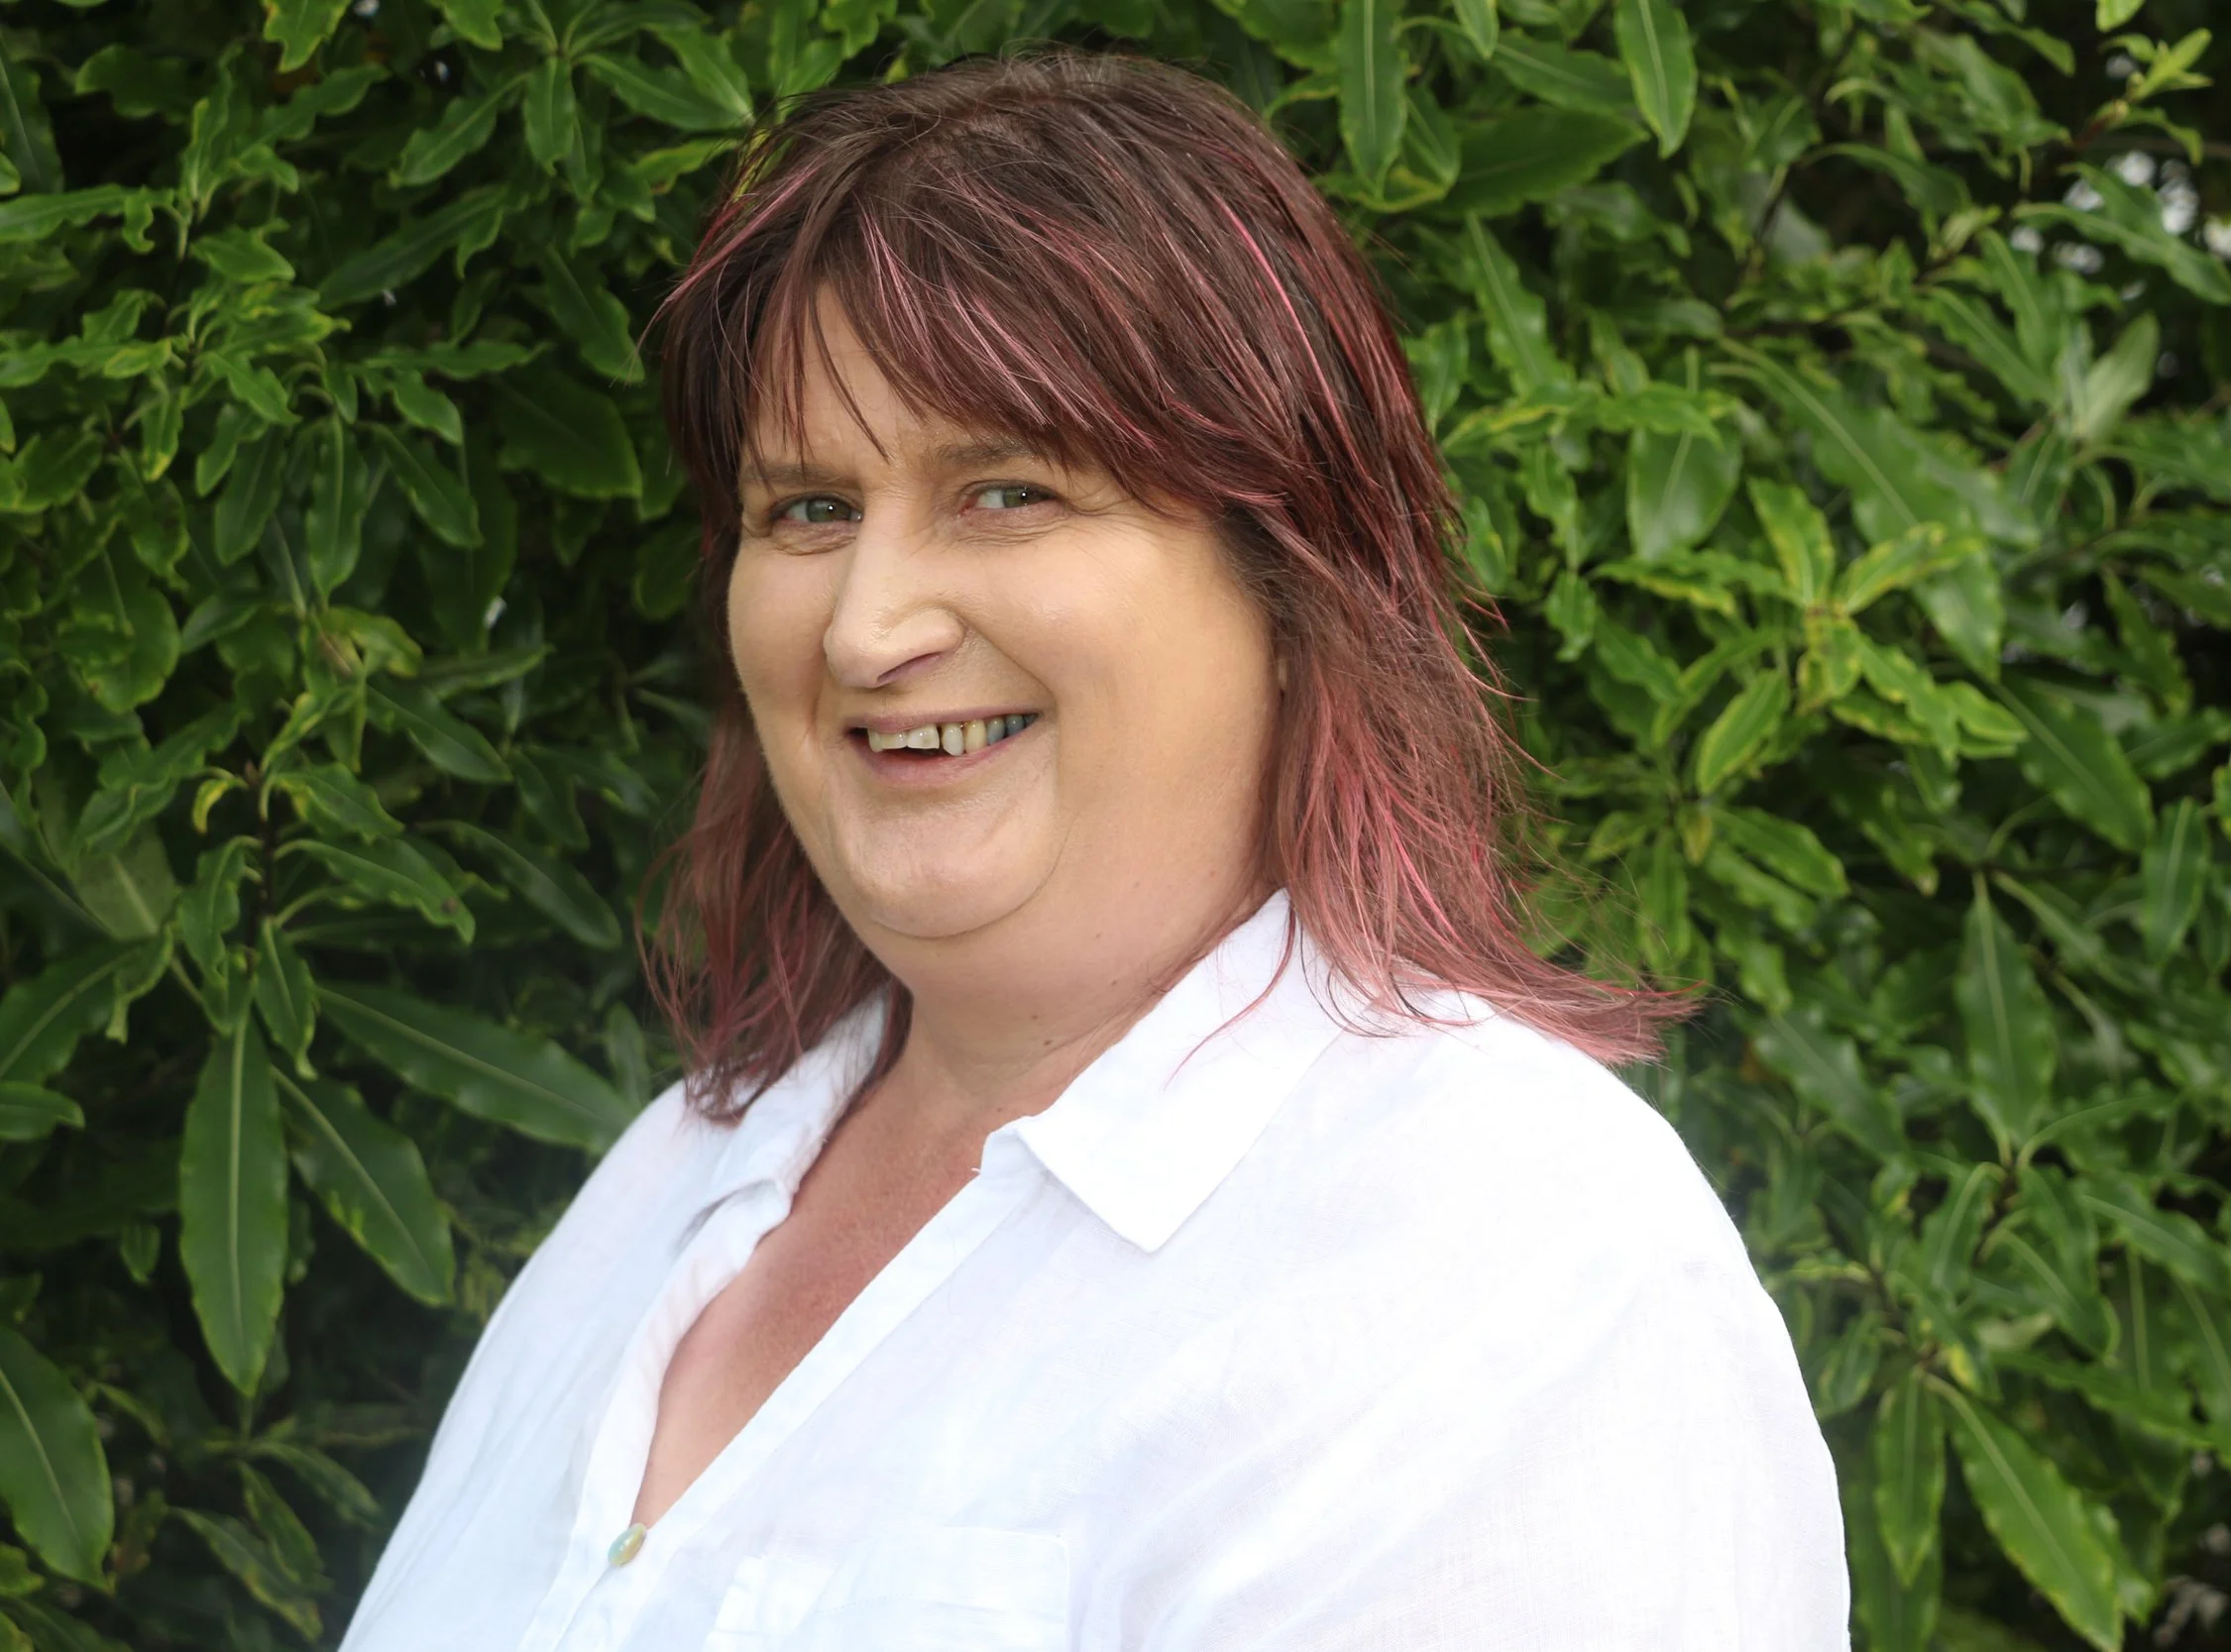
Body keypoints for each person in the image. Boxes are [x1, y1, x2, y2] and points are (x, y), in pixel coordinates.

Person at [338, 48, 1846, 1652]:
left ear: (1291, 579)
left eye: (1006, 489)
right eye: (807, 509)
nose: (866, 624)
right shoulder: (667, 1186)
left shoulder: (1501, 1260)